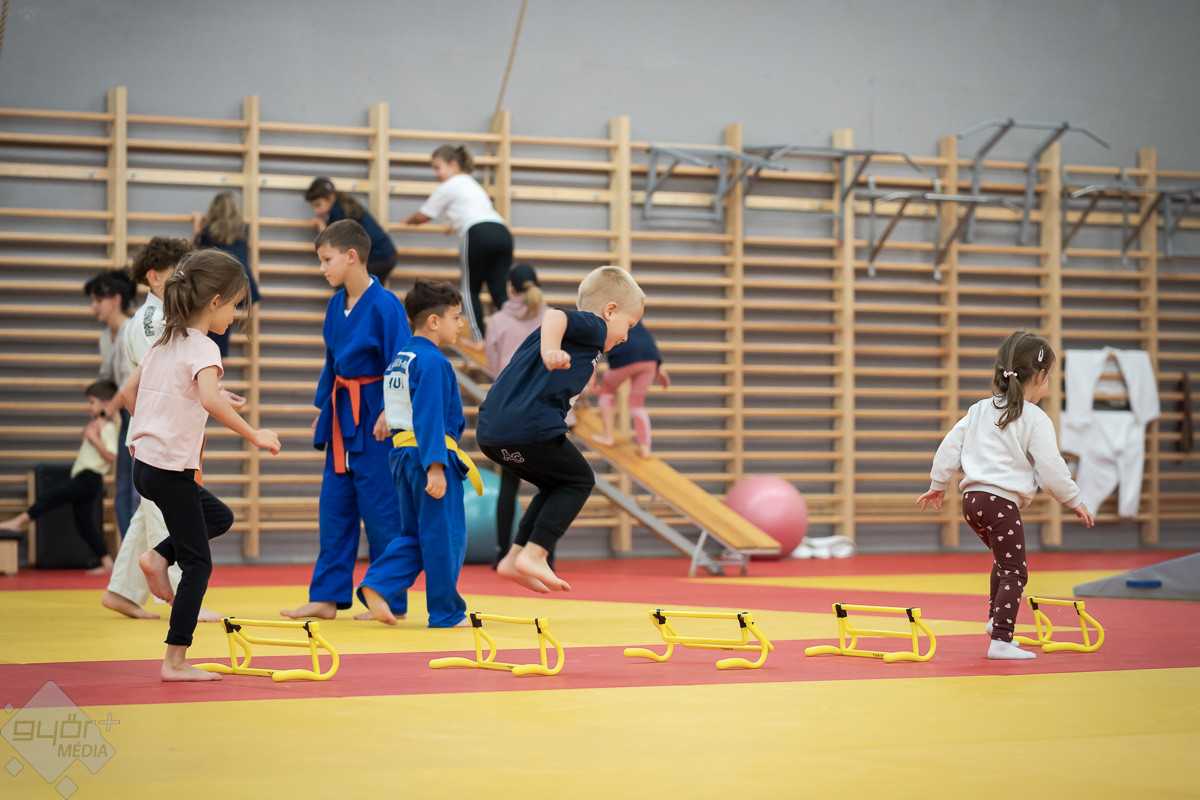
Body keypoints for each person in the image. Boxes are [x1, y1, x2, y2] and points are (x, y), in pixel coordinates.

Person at [121, 248, 281, 681]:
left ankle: (157, 557)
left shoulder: (165, 341)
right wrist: (255, 434)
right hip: (169, 472)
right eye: (234, 305)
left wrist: (151, 431)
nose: (235, 314)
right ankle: (174, 661)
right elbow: (209, 399)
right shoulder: (204, 347)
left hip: (146, 467)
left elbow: (129, 392)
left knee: (218, 516)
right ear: (214, 302)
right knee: (198, 565)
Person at [916, 331, 1095, 661]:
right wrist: (1074, 499)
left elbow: (950, 445)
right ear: (1039, 376)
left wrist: (938, 483)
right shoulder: (1035, 418)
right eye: (1049, 379)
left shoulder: (980, 409)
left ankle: (994, 620)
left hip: (973, 503)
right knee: (1016, 571)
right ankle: (1001, 639)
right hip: (999, 503)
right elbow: (1052, 469)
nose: (1048, 386)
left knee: (1004, 561)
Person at [476, 265, 644, 593]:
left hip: (493, 432)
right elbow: (555, 316)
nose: (626, 336)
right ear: (610, 311)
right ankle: (536, 553)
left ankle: (514, 556)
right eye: (629, 325)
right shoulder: (595, 325)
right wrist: (550, 350)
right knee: (579, 480)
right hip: (529, 427)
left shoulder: (583, 343)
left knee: (554, 485)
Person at [281, 220, 410, 621]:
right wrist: (325, 408)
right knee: (334, 508)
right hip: (342, 415)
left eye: (327, 259)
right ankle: (326, 597)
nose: (322, 268)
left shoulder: (386, 304)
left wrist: (391, 409)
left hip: (375, 417)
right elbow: (332, 362)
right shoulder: (336, 305)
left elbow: (402, 361)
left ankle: (389, 597)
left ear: (351, 256)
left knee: (382, 510)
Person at [358, 280, 483, 627]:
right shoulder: (432, 361)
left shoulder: (401, 358)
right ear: (433, 321)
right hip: (428, 455)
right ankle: (446, 612)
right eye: (455, 317)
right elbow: (429, 415)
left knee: (414, 536)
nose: (461, 324)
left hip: (403, 458)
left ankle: (378, 584)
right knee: (445, 537)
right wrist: (436, 466)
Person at [0, 380, 120, 574]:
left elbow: (112, 456)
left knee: (50, 497)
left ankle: (20, 521)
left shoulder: (107, 427)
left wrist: (93, 438)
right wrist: (91, 435)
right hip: (87, 479)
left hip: (89, 478)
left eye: (92, 402)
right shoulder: (97, 425)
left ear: (106, 404)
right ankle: (107, 563)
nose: (88, 406)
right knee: (85, 525)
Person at [403, 145, 513, 344]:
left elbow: (424, 215)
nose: (436, 173)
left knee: (470, 290)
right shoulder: (472, 184)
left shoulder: (450, 184)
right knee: (499, 291)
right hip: (502, 232)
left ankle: (479, 340)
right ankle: (517, 336)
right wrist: (452, 224)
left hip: (478, 233)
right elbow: (472, 209)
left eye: (438, 167)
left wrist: (408, 221)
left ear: (453, 164)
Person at [483, 264, 548, 565]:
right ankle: (544, 556)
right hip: (546, 413)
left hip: (511, 414)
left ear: (510, 287)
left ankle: (502, 554)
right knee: (550, 487)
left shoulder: (498, 320)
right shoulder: (553, 317)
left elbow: (494, 368)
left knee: (508, 486)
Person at [83, 267, 138, 536]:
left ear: (116, 299)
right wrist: (96, 412)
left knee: (137, 491)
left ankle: (144, 552)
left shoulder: (133, 330)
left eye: (98, 300)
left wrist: (104, 416)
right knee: (122, 490)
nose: (93, 307)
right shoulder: (105, 337)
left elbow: (129, 384)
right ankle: (130, 552)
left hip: (141, 415)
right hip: (124, 415)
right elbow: (107, 382)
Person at [192, 191, 262, 357]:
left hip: (223, 281)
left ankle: (213, 353)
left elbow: (197, 246)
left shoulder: (209, 230)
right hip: (244, 281)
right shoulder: (243, 228)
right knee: (227, 311)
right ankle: (221, 353)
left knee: (214, 312)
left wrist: (197, 222)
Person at [591, 320, 671, 459]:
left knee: (607, 391)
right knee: (637, 403)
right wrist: (659, 368)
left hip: (624, 355)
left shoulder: (604, 318)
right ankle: (645, 447)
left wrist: (592, 379)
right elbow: (643, 339)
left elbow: (596, 352)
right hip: (650, 357)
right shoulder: (632, 315)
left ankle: (608, 437)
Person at [305, 177, 398, 283]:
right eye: (313, 206)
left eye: (318, 205)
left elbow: (332, 243)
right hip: (386, 254)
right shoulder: (343, 206)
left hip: (378, 255)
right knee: (366, 288)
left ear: (331, 197)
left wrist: (321, 225)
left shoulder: (338, 212)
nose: (316, 211)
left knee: (344, 279)